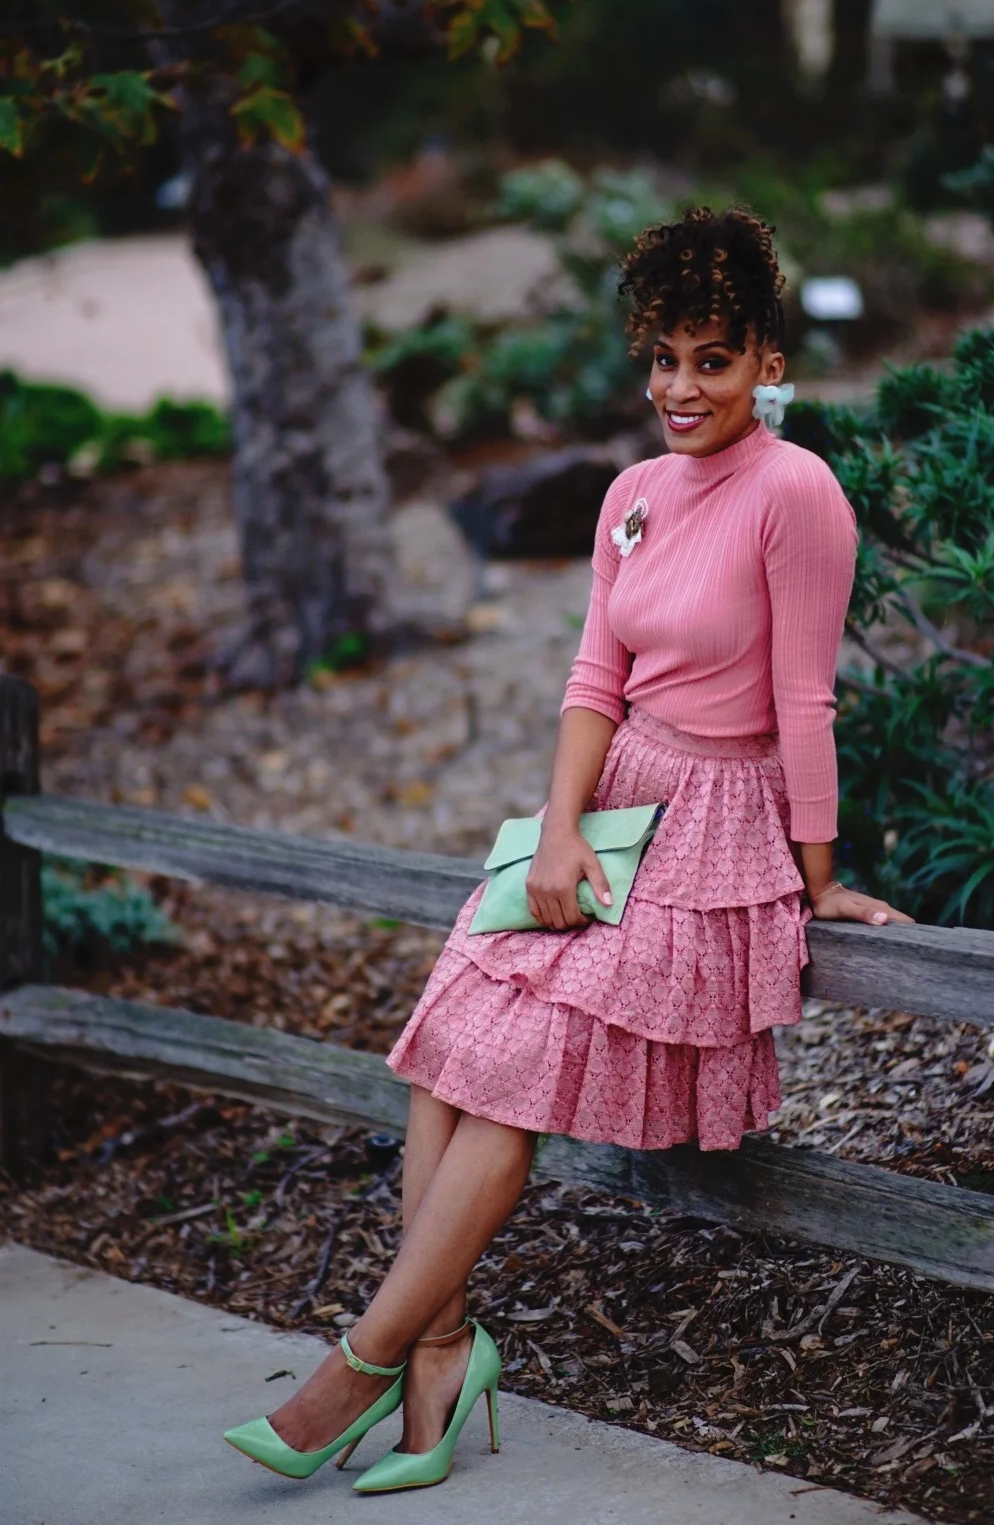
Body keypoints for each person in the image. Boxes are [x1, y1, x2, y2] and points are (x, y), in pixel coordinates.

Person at [223, 203, 915, 1494]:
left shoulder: (797, 491)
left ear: (769, 363)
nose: (679, 388)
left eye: (712, 360)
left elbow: (807, 700)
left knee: (517, 1073)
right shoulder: (631, 494)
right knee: (444, 1050)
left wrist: (818, 879)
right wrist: (555, 833)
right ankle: (443, 1353)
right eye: (662, 358)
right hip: (606, 807)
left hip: (716, 825)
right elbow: (597, 675)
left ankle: (359, 1366)